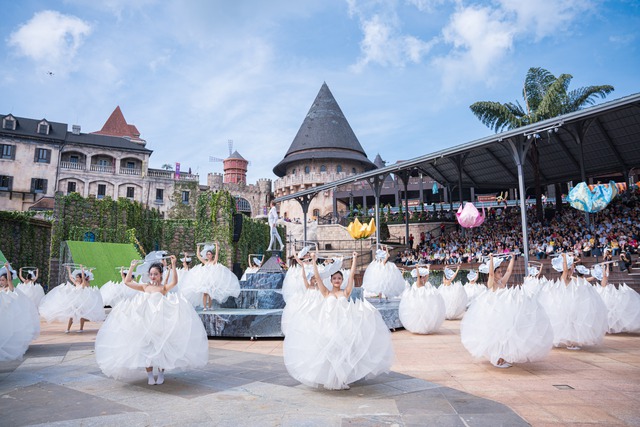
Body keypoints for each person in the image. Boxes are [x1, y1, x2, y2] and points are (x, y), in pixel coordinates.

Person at [283, 252, 394, 390]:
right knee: (331, 353)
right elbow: (317, 277)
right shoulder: (326, 293)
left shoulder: (345, 292)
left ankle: (342, 379)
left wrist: (354, 259)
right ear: (331, 281)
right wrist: (313, 260)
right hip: (329, 327)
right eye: (334, 278)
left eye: (339, 278)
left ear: (341, 280)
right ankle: (331, 378)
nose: (337, 280)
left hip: (345, 326)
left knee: (344, 353)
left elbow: (352, 275)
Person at [95, 256, 208, 385]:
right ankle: (149, 375)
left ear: (160, 275)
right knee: (146, 347)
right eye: (151, 274)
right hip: (146, 321)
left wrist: (173, 264)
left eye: (156, 274)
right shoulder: (145, 287)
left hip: (160, 321)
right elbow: (127, 282)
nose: (153, 276)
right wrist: (132, 267)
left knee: (162, 347)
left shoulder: (163, 288)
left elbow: (175, 282)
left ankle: (160, 373)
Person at [461, 254, 553, 369]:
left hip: (504, 312)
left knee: (506, 335)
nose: (501, 273)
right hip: (495, 312)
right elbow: (490, 273)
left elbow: (509, 271)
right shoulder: (492, 283)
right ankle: (497, 360)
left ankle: (502, 358)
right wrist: (491, 259)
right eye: (498, 272)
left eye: (501, 272)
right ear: (494, 274)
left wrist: (512, 258)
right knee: (497, 336)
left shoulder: (501, 282)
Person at [39, 265, 105, 333]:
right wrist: (69, 269)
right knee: (71, 315)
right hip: (75, 301)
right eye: (76, 277)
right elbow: (71, 277)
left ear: (81, 278)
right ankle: (68, 329)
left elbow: (83, 277)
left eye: (77, 277)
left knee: (82, 316)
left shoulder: (84, 284)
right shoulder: (76, 283)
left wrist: (82, 269)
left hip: (81, 302)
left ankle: (81, 328)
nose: (76, 278)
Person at [182, 242, 241, 311]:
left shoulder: (214, 262)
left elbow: (217, 255)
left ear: (211, 255)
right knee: (204, 293)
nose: (208, 255)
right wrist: (198, 247)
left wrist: (216, 246)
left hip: (211, 280)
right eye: (207, 254)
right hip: (205, 280)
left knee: (210, 294)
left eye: (209, 254)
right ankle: (204, 307)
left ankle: (209, 306)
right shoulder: (205, 262)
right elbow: (198, 256)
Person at [0, 262, 40, 361]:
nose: (1, 281)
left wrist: (7, 269)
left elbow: (9, 279)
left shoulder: (10, 288)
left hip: (9, 313)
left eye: (2, 280)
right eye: (0, 280)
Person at [398, 265, 445, 334]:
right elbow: (418, 275)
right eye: (423, 277)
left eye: (424, 277)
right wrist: (417, 268)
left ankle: (425, 326)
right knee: (419, 313)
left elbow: (427, 276)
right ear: (420, 277)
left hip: (423, 298)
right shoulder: (419, 282)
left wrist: (428, 268)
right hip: (419, 298)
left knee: (424, 313)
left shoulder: (423, 282)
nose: (424, 278)